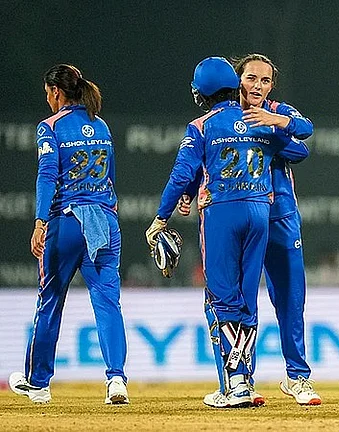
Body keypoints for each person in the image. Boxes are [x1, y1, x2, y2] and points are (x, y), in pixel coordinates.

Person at [145, 56, 292, 408]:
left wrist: (161, 217)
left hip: (222, 212)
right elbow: (299, 144)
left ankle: (237, 384)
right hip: (260, 211)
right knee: (246, 297)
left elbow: (182, 174)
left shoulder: (201, 126)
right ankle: (244, 380)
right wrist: (280, 125)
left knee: (221, 298)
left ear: (201, 92)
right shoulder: (258, 119)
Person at [8, 64, 129, 405]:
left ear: (56, 93)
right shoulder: (100, 124)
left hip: (67, 224)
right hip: (105, 223)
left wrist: (39, 222)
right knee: (108, 304)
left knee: (49, 302)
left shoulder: (50, 127)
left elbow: (47, 176)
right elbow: (111, 176)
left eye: (48, 94)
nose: (48, 100)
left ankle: (38, 383)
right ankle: (116, 380)